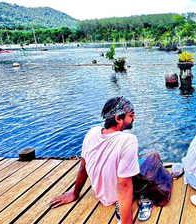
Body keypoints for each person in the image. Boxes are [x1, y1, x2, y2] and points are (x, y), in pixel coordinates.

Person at [49, 96, 139, 224]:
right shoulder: (128, 140)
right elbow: (123, 187)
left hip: (101, 195)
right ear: (118, 119)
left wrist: (75, 194)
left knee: (135, 158)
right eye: (131, 115)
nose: (134, 118)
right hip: (118, 196)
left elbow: (83, 167)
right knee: (153, 157)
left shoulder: (92, 132)